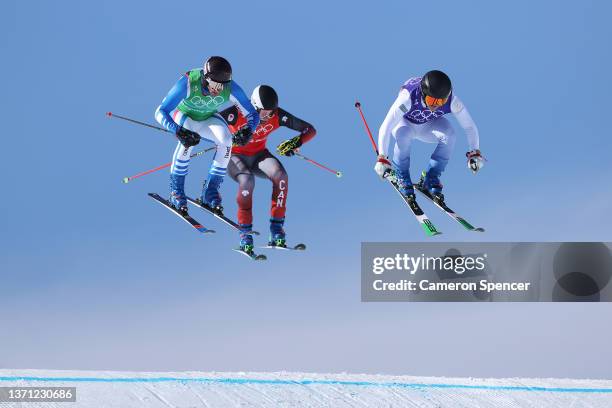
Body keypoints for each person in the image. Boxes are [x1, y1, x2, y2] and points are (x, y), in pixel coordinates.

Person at [154, 56, 259, 214]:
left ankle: (210, 193)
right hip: (184, 115)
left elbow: (252, 114)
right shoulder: (188, 83)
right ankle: (176, 192)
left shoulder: (230, 87)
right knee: (188, 142)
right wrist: (177, 130)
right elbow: (160, 112)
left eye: (223, 86)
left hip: (206, 117)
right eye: (215, 85)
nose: (218, 90)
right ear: (206, 78)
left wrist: (248, 130)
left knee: (226, 141)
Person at [221, 85, 316, 253]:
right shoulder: (235, 113)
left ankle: (277, 229)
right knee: (247, 180)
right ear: (254, 107)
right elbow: (210, 126)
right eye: (264, 113)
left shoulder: (277, 115)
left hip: (258, 156)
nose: (268, 117)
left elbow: (310, 130)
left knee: (281, 176)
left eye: (271, 113)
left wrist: (295, 143)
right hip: (234, 157)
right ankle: (245, 233)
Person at [375, 70, 484, 204]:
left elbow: (469, 126)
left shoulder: (452, 100)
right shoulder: (408, 97)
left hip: (428, 126)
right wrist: (382, 157)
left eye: (440, 101)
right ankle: (401, 175)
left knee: (450, 135)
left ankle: (430, 177)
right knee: (404, 136)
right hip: (404, 124)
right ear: (423, 93)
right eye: (432, 100)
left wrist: (475, 152)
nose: (435, 105)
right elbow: (386, 126)